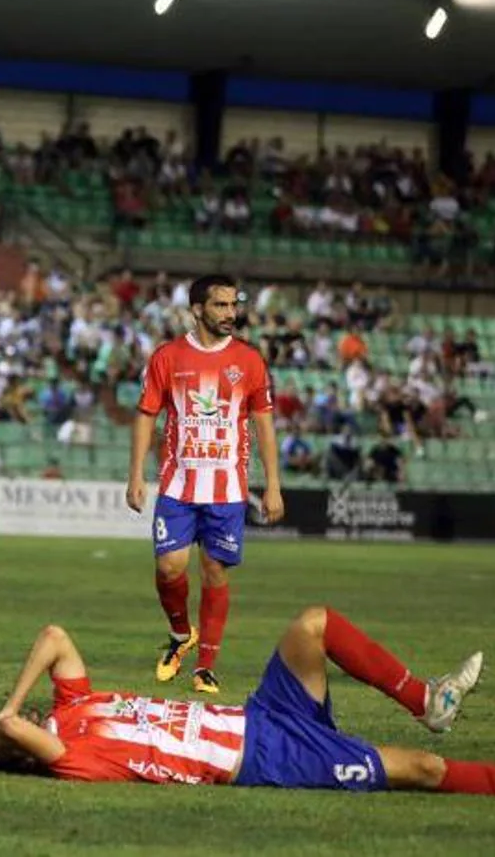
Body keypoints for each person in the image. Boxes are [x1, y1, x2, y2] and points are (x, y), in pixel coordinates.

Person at [0, 612, 495, 800]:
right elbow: (8, 729)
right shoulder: (73, 758)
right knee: (423, 770)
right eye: (15, 735)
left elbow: (55, 637)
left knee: (315, 624)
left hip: (259, 715)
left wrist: (13, 705)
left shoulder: (74, 709)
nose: (21, 723)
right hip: (266, 756)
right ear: (22, 753)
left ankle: (428, 698)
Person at [126, 274, 283, 694]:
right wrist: (136, 474)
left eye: (233, 305)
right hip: (178, 485)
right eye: (220, 306)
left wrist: (273, 485)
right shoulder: (167, 357)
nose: (230, 314)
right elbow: (146, 415)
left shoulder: (249, 361)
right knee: (168, 567)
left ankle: (205, 666)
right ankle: (181, 635)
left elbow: (265, 425)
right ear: (197, 310)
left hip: (227, 490)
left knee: (215, 571)